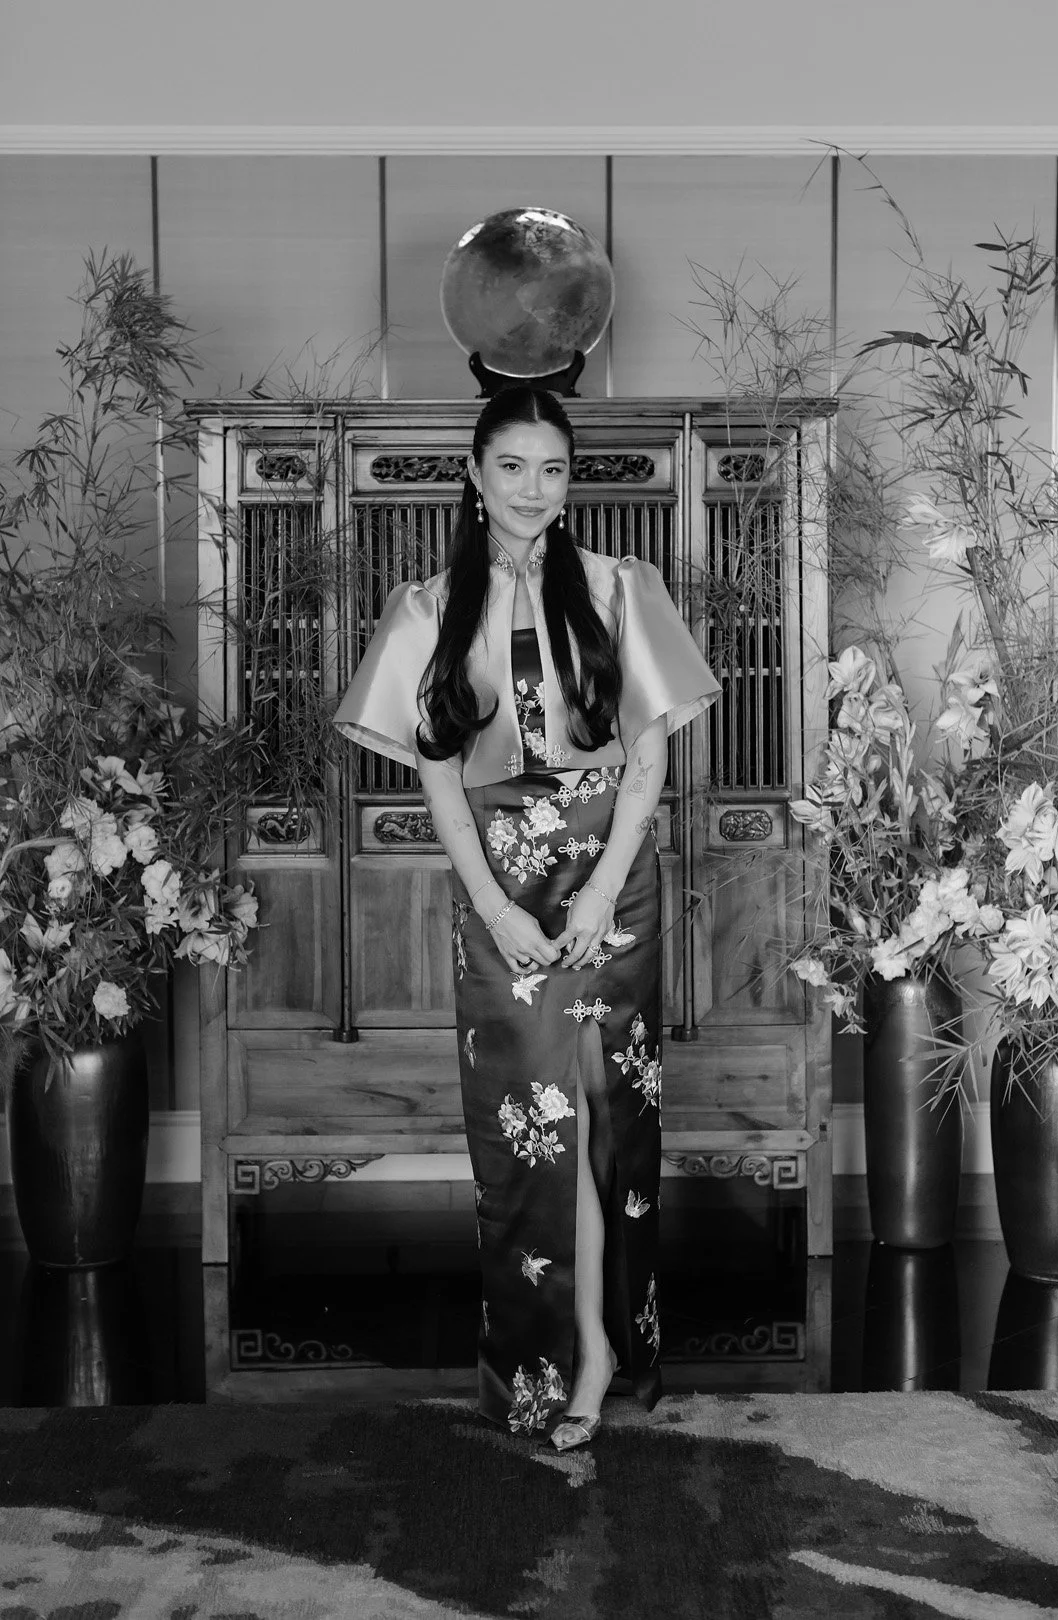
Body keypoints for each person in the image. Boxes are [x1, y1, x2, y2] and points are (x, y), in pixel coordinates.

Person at [334, 386, 719, 1448]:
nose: (532, 489)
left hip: (611, 876)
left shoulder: (618, 588)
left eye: (552, 469)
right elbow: (439, 780)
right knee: (532, 1126)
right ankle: (558, 1354)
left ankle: (599, 1349)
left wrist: (601, 888)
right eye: (512, 466)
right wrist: (495, 907)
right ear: (475, 474)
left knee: (602, 1115)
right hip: (501, 885)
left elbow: (648, 763)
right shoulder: (426, 610)